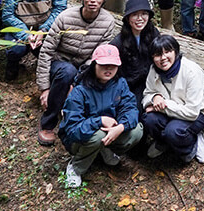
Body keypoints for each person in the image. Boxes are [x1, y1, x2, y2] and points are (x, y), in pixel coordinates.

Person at [36, 0, 118, 146]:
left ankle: (82, 128)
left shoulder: (108, 22)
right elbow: (46, 51)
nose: (93, 0)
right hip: (57, 62)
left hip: (84, 66)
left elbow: (98, 56)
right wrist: (44, 88)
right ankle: (48, 123)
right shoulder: (66, 17)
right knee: (67, 72)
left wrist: (78, 80)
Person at [59, 44, 145, 188]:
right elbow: (72, 130)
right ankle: (76, 167)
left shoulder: (120, 84)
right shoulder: (80, 90)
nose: (109, 69)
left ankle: (106, 149)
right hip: (79, 139)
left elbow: (130, 108)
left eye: (113, 65)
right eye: (104, 65)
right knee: (98, 136)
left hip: (109, 131)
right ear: (94, 65)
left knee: (136, 130)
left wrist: (120, 127)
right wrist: (99, 121)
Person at [142, 34, 204, 163]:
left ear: (176, 51)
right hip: (173, 111)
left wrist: (163, 104)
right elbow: (147, 93)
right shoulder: (154, 71)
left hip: (197, 113)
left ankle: (190, 145)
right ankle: (163, 142)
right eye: (158, 54)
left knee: (173, 131)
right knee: (149, 119)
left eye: (168, 52)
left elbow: (192, 112)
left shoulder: (191, 72)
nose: (163, 58)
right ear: (152, 58)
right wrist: (155, 97)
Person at [110, 0, 161, 105]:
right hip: (128, 85)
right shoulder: (118, 42)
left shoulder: (153, 34)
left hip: (152, 83)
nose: (140, 18)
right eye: (135, 15)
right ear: (128, 18)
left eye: (144, 14)